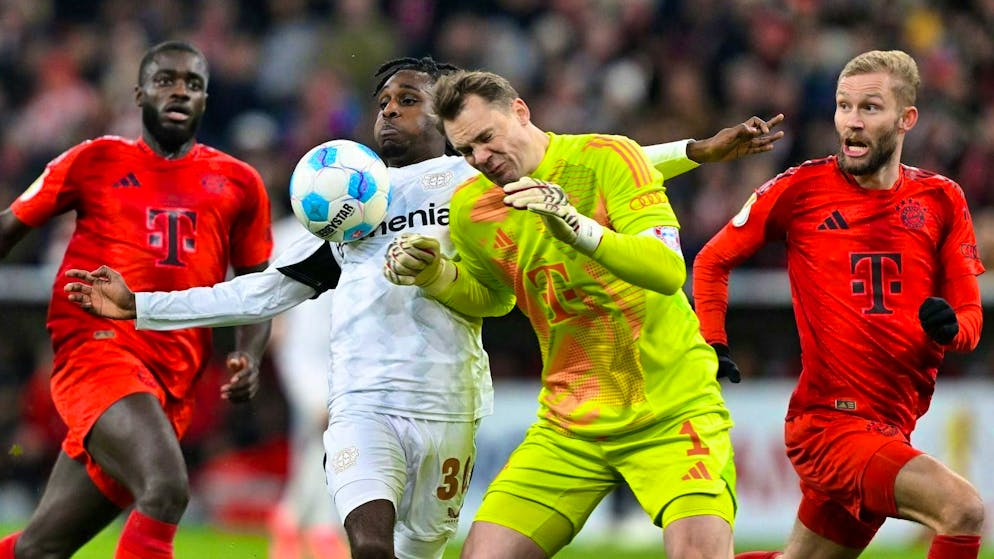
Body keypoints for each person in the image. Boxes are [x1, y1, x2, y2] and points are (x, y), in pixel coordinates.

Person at [64, 58, 782, 559]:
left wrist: (698, 150)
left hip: (455, 404)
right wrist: (144, 305)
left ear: (448, 121)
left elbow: (606, 159)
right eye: (382, 102)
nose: (390, 111)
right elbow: (270, 286)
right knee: (371, 544)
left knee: (421, 551)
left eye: (408, 100)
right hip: (370, 401)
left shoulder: (471, 185)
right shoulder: (356, 200)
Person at [382, 69, 783, 559]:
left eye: (487, 138)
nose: (480, 158)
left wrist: (575, 226)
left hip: (672, 412)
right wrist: (436, 275)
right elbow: (494, 298)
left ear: (520, 111)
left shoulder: (607, 158)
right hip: (569, 424)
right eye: (466, 151)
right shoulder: (472, 211)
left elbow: (666, 269)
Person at [692, 50, 985, 559]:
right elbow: (711, 260)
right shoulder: (800, 189)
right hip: (831, 426)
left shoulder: (942, 199)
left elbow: (970, 320)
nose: (852, 121)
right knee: (963, 510)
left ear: (906, 119)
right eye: (843, 106)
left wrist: (949, 329)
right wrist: (712, 341)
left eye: (870, 107)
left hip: (892, 424)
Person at [0, 40, 273, 559]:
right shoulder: (95, 159)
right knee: (166, 488)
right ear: (140, 94)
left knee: (40, 548)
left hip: (173, 376)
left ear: (206, 100)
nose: (179, 91)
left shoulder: (240, 183)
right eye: (166, 80)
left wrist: (250, 354)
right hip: (97, 353)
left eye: (193, 84)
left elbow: (257, 286)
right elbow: (9, 228)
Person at [267, 216, 348, 559]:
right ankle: (320, 528)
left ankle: (292, 518)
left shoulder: (356, 228)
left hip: (343, 351)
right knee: (328, 425)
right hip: (301, 353)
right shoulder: (283, 235)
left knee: (314, 438)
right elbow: (264, 289)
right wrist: (272, 326)